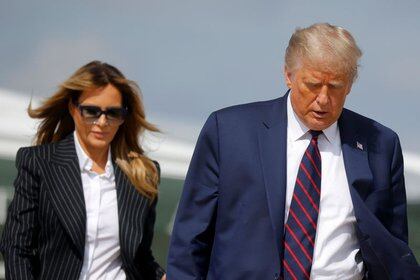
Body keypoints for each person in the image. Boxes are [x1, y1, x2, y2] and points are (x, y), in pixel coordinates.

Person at [167, 23, 420, 279]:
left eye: (335, 87)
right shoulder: (229, 132)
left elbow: (393, 247)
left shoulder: (380, 145)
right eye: (313, 85)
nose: (323, 98)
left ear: (350, 85)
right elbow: (189, 239)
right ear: (288, 75)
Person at [0, 61, 166, 280]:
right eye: (91, 111)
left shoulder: (143, 174)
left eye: (113, 113)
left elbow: (141, 258)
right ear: (72, 107)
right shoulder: (39, 163)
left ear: (124, 117)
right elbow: (16, 247)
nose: (102, 122)